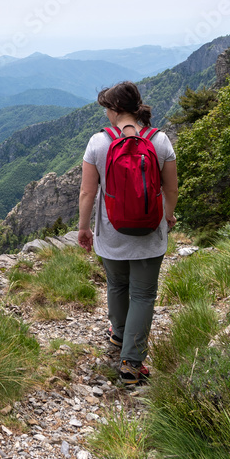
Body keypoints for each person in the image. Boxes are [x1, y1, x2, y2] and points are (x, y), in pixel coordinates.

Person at [77, 81, 178, 386]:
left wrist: (83, 228)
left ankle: (119, 335)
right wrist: (168, 215)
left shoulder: (98, 142)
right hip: (150, 232)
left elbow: (87, 192)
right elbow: (170, 188)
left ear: (115, 110)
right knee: (143, 295)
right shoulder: (160, 141)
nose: (106, 114)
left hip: (112, 234)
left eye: (107, 108)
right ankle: (131, 365)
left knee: (118, 285)